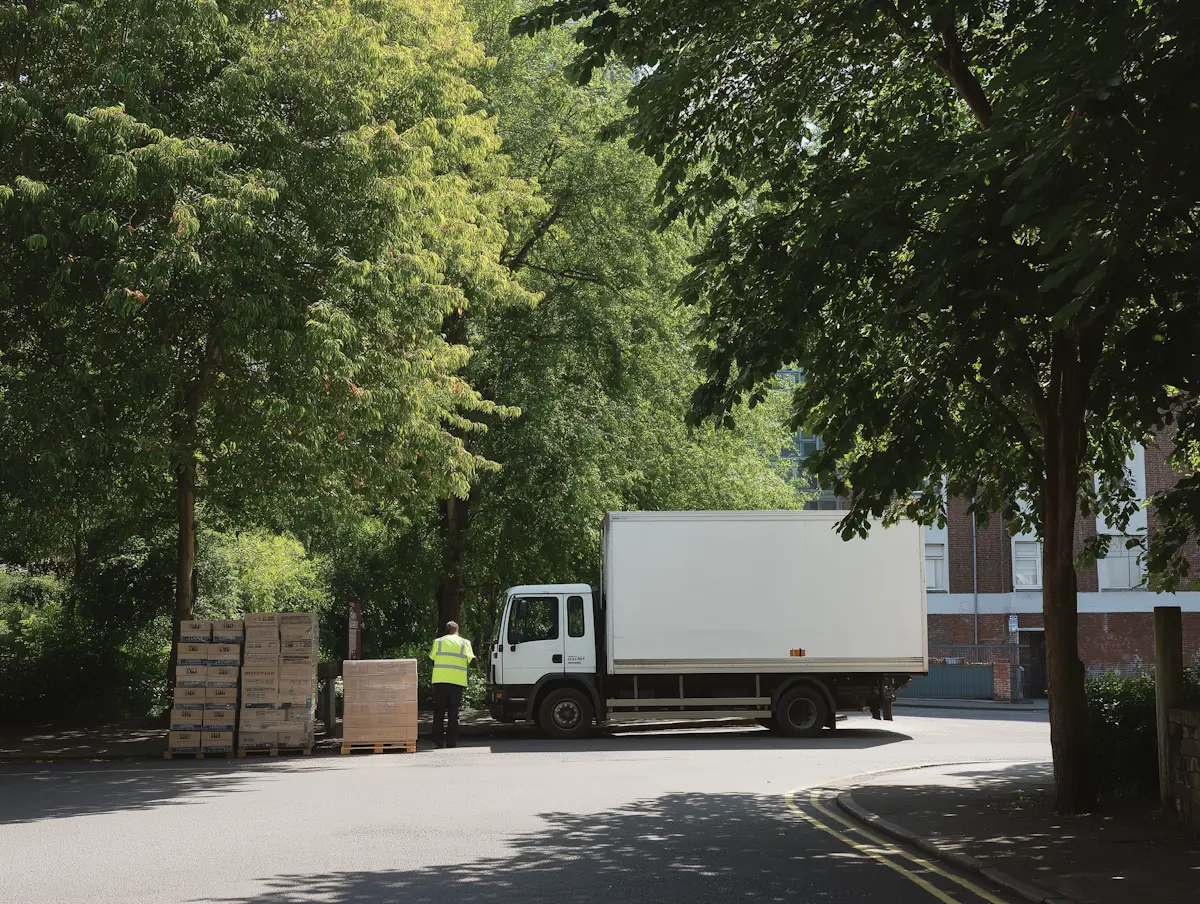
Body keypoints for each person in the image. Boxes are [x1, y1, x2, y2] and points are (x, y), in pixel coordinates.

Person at [429, 620, 475, 748]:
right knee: (453, 713)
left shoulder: (438, 642)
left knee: (439, 712)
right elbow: (473, 662)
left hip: (440, 681)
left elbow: (431, 659)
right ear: (457, 631)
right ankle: (451, 741)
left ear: (446, 630)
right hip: (457, 682)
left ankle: (438, 741)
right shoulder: (465, 643)